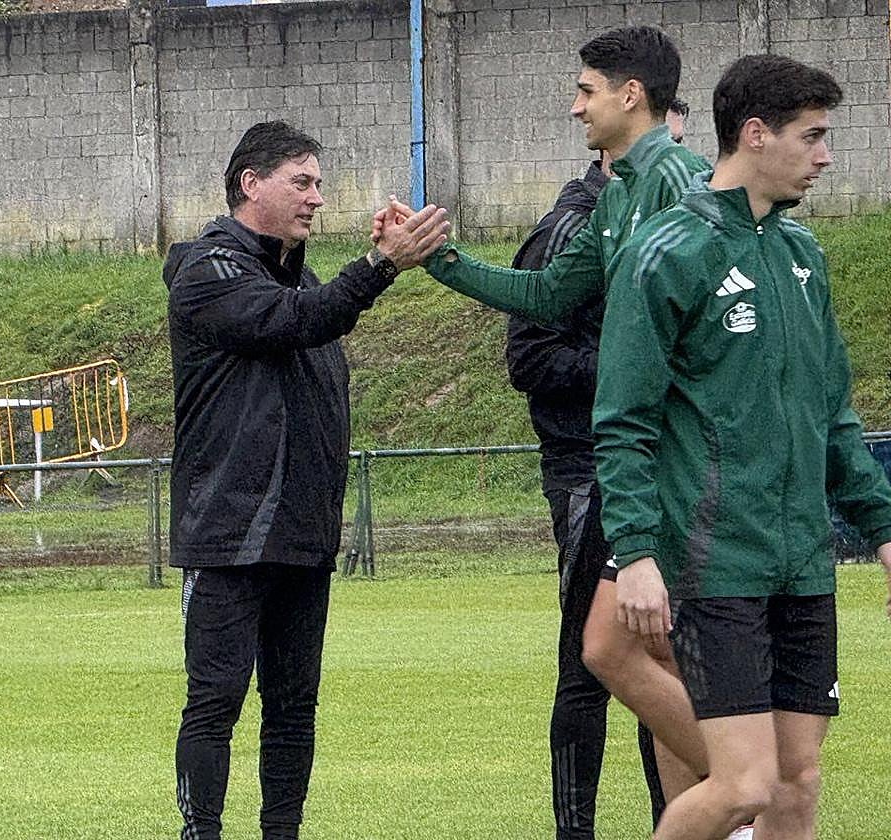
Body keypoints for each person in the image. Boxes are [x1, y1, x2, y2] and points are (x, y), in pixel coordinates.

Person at [380, 23, 712, 804]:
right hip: (638, 463)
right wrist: (441, 261)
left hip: (689, 468)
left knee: (639, 655)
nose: (574, 108)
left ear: (632, 96)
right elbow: (548, 297)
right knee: (628, 655)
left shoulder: (683, 184)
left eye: (585, 90)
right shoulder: (620, 194)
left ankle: (756, 788)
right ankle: (724, 806)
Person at [594, 53, 891, 840]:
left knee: (796, 783)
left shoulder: (802, 257)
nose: (826, 155)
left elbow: (833, 416)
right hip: (714, 561)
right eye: (813, 136)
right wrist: (635, 552)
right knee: (744, 784)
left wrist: (884, 528)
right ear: (754, 135)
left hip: (802, 560)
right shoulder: (667, 249)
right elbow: (624, 420)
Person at [163, 120, 448, 840]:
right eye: (302, 181)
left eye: (318, 183)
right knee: (216, 701)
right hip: (228, 533)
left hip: (300, 532)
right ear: (249, 184)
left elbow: (311, 317)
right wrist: (379, 265)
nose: (317, 197)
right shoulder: (208, 271)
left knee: (294, 706)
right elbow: (294, 321)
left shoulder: (305, 282)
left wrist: (372, 264)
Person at [505, 146, 667, 838]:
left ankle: (680, 820)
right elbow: (529, 358)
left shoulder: (657, 228)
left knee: (662, 656)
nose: (674, 166)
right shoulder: (568, 229)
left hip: (660, 470)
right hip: (585, 472)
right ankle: (576, 829)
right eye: (665, 148)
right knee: (587, 664)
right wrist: (631, 367)